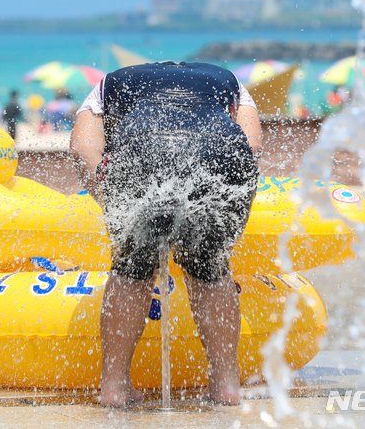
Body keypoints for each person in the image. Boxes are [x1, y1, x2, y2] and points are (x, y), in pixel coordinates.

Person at [70, 61, 263, 407]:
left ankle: (115, 387)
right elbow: (250, 144)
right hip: (220, 153)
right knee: (210, 267)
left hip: (141, 152)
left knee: (131, 269)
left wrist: (111, 198)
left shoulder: (105, 87)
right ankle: (225, 383)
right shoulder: (230, 81)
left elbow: (82, 146)